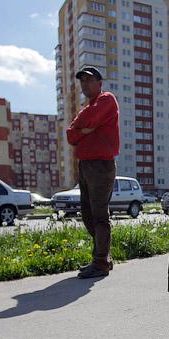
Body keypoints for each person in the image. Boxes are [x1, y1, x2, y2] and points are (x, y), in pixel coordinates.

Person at [65, 66, 120, 279]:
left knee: (99, 215)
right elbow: (71, 136)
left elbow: (90, 120)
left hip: (100, 165)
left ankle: (100, 263)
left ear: (99, 82)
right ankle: (102, 258)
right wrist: (82, 129)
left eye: (89, 80)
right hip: (85, 165)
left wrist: (82, 128)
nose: (84, 84)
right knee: (88, 215)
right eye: (82, 81)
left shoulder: (107, 99)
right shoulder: (87, 108)